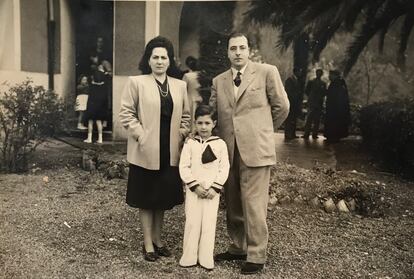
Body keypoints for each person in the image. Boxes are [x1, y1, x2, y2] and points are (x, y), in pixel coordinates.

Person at [209, 32, 289, 275]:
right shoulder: (218, 81)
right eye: (233, 48)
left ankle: (256, 254)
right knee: (233, 200)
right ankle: (238, 247)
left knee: (253, 203)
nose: (238, 52)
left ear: (249, 50)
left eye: (242, 48)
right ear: (227, 52)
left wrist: (263, 131)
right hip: (228, 149)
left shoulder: (266, 72)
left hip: (256, 150)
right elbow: (212, 112)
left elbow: (282, 107)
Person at [119, 36, 191, 262]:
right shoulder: (136, 82)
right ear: (148, 60)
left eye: (164, 57)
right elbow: (126, 113)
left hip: (169, 151)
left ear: (170, 61)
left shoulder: (180, 86)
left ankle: (159, 240)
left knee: (162, 197)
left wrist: (180, 134)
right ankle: (148, 243)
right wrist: (141, 135)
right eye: (155, 57)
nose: (160, 61)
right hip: (145, 150)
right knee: (146, 197)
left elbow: (187, 117)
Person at [179, 105, 230, 270]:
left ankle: (206, 258)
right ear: (195, 123)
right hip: (194, 192)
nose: (203, 127)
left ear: (214, 123)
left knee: (209, 224)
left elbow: (224, 168)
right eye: (199, 123)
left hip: (211, 193)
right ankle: (189, 257)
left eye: (207, 123)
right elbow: (184, 167)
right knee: (192, 223)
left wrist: (215, 188)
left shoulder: (220, 144)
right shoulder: (190, 143)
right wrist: (194, 186)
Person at [83, 64, 108, 144]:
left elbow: (90, 97)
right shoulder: (103, 87)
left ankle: (89, 138)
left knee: (90, 122)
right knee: (99, 122)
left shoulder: (92, 86)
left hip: (92, 107)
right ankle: (100, 139)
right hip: (100, 107)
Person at [324, 70, 351, 143]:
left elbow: (337, 97)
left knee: (334, 123)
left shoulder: (337, 84)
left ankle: (334, 136)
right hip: (335, 107)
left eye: (330, 75)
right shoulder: (338, 83)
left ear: (334, 75)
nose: (329, 77)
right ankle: (333, 136)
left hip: (336, 108)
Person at [302, 69, 327, 139]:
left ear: (321, 74)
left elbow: (324, 92)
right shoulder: (311, 82)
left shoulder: (323, 83)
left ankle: (315, 134)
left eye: (320, 73)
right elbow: (307, 91)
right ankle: (306, 134)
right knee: (309, 119)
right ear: (316, 73)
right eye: (317, 73)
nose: (318, 74)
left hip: (319, 103)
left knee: (317, 120)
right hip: (312, 103)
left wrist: (320, 97)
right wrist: (311, 97)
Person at [284, 67, 303, 140]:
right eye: (299, 72)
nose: (300, 73)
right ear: (296, 72)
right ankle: (288, 134)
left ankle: (292, 133)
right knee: (289, 119)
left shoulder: (297, 80)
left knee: (293, 118)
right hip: (291, 102)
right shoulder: (289, 80)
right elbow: (288, 92)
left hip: (295, 103)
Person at [182, 56, 202, 125]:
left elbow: (183, 88)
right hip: (200, 97)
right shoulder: (201, 74)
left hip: (190, 98)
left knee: (191, 117)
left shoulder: (187, 76)